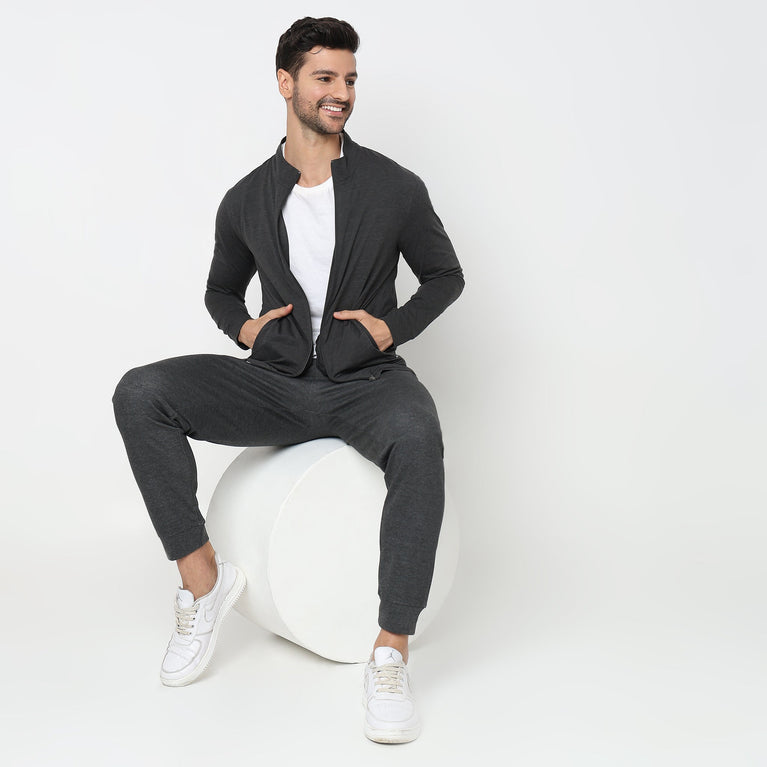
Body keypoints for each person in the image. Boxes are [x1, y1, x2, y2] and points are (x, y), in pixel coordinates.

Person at [112, 16, 463, 744]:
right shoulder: (246, 199)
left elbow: (444, 275)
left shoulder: (393, 187)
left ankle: (390, 653)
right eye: (325, 77)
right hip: (274, 382)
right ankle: (203, 585)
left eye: (350, 79)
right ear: (285, 83)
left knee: (418, 434)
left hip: (366, 382)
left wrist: (390, 329)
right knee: (141, 393)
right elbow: (219, 290)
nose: (342, 93)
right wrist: (245, 330)